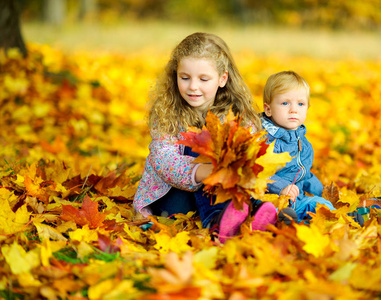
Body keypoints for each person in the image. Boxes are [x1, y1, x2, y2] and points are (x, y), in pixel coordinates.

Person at [133, 32, 278, 243]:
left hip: (222, 190)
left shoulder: (236, 112)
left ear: (222, 79)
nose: (193, 86)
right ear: (176, 75)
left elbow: (250, 148)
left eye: (203, 79)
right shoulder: (167, 111)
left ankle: (245, 217)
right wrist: (201, 171)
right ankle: (219, 222)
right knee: (199, 146)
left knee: (228, 157)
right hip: (174, 195)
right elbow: (161, 158)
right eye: (185, 78)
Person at [261, 71, 336, 222]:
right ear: (268, 109)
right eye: (285, 103)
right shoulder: (265, 141)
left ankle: (340, 218)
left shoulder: (304, 144)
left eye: (300, 104)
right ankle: (277, 220)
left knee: (322, 205)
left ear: (307, 108)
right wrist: (281, 187)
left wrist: (322, 191)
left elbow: (305, 174)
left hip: (298, 199)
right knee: (269, 209)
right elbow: (259, 173)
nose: (293, 109)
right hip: (269, 198)